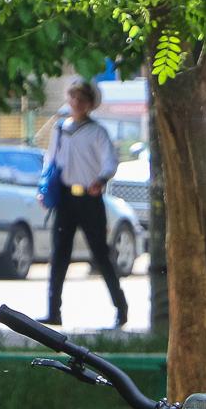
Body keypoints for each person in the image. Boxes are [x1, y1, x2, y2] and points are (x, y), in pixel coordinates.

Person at [44, 79, 129, 328]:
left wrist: (100, 179)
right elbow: (50, 161)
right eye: (73, 98)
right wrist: (45, 189)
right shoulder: (60, 129)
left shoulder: (97, 132)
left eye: (82, 99)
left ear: (90, 104)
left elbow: (110, 162)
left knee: (100, 254)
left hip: (90, 200)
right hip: (66, 197)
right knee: (59, 254)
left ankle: (121, 309)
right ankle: (53, 311)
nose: (77, 103)